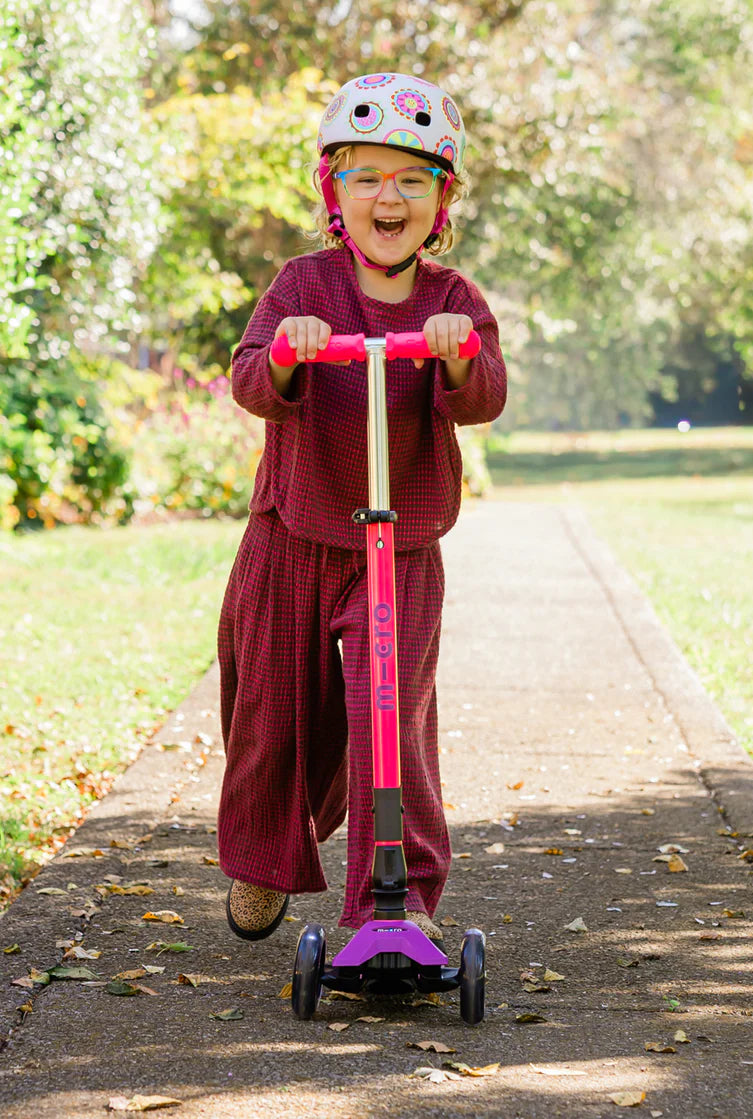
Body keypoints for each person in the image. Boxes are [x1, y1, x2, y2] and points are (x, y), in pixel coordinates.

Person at [217, 72, 507, 945]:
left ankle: (398, 899)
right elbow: (246, 377)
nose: (390, 195)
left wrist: (455, 359)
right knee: (271, 715)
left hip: (402, 546)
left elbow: (483, 394)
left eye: (412, 179)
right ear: (334, 191)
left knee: (392, 721)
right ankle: (268, 854)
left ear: (440, 199)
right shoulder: (303, 283)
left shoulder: (452, 300)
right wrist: (285, 352)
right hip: (294, 533)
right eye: (369, 176)